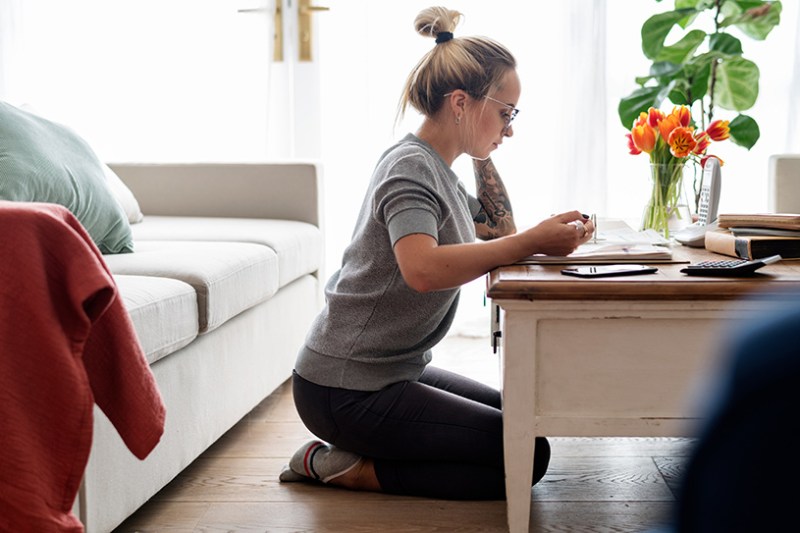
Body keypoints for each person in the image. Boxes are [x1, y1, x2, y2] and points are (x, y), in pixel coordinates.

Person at [278, 6, 594, 500]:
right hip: (343, 390)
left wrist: (486, 159)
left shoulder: (440, 168)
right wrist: (533, 240)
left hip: (391, 371)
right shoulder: (409, 168)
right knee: (526, 455)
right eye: (505, 113)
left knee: (522, 427)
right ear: (461, 102)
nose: (510, 129)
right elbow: (421, 269)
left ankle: (374, 455)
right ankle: (341, 466)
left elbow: (499, 228)